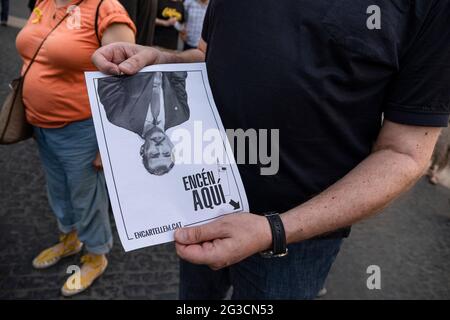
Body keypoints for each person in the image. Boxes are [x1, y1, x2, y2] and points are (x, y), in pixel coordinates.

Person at [92, 0, 450, 299]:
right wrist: (163, 60)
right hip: (203, 206)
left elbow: (404, 154)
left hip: (295, 242)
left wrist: (274, 230)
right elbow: (206, 55)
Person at [16, 0, 136, 296]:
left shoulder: (105, 9)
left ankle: (96, 255)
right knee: (58, 191)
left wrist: (109, 144)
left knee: (87, 199)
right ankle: (70, 239)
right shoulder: (46, 2)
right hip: (42, 126)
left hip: (82, 131)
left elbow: (129, 84)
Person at [98, 71, 189, 175]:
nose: (159, 147)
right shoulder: (182, 115)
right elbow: (179, 77)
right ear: (172, 147)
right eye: (166, 153)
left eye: (154, 154)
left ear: (142, 150)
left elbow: (107, 77)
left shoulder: (118, 116)